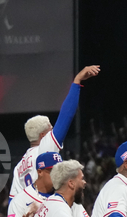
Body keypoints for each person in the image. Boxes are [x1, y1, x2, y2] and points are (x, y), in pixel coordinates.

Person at [9, 66, 100, 199]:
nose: (53, 131)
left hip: (28, 215)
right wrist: (77, 82)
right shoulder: (44, 149)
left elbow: (12, 202)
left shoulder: (18, 167)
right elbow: (66, 116)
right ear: (42, 135)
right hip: (44, 210)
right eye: (50, 129)